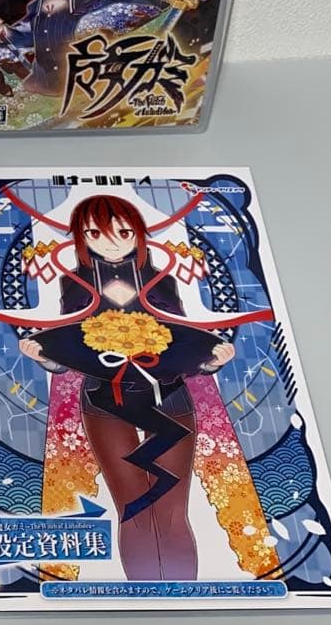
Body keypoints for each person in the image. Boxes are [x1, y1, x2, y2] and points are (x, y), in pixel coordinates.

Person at [18, 194, 234, 580]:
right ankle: (143, 594)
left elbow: (182, 341)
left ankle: (183, 595)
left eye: (122, 232)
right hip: (103, 397)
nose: (110, 242)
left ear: (138, 233)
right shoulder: (73, 282)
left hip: (168, 394)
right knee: (133, 507)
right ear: (82, 239)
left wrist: (211, 360)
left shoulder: (162, 279)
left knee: (171, 508)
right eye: (94, 234)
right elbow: (72, 344)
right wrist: (45, 357)